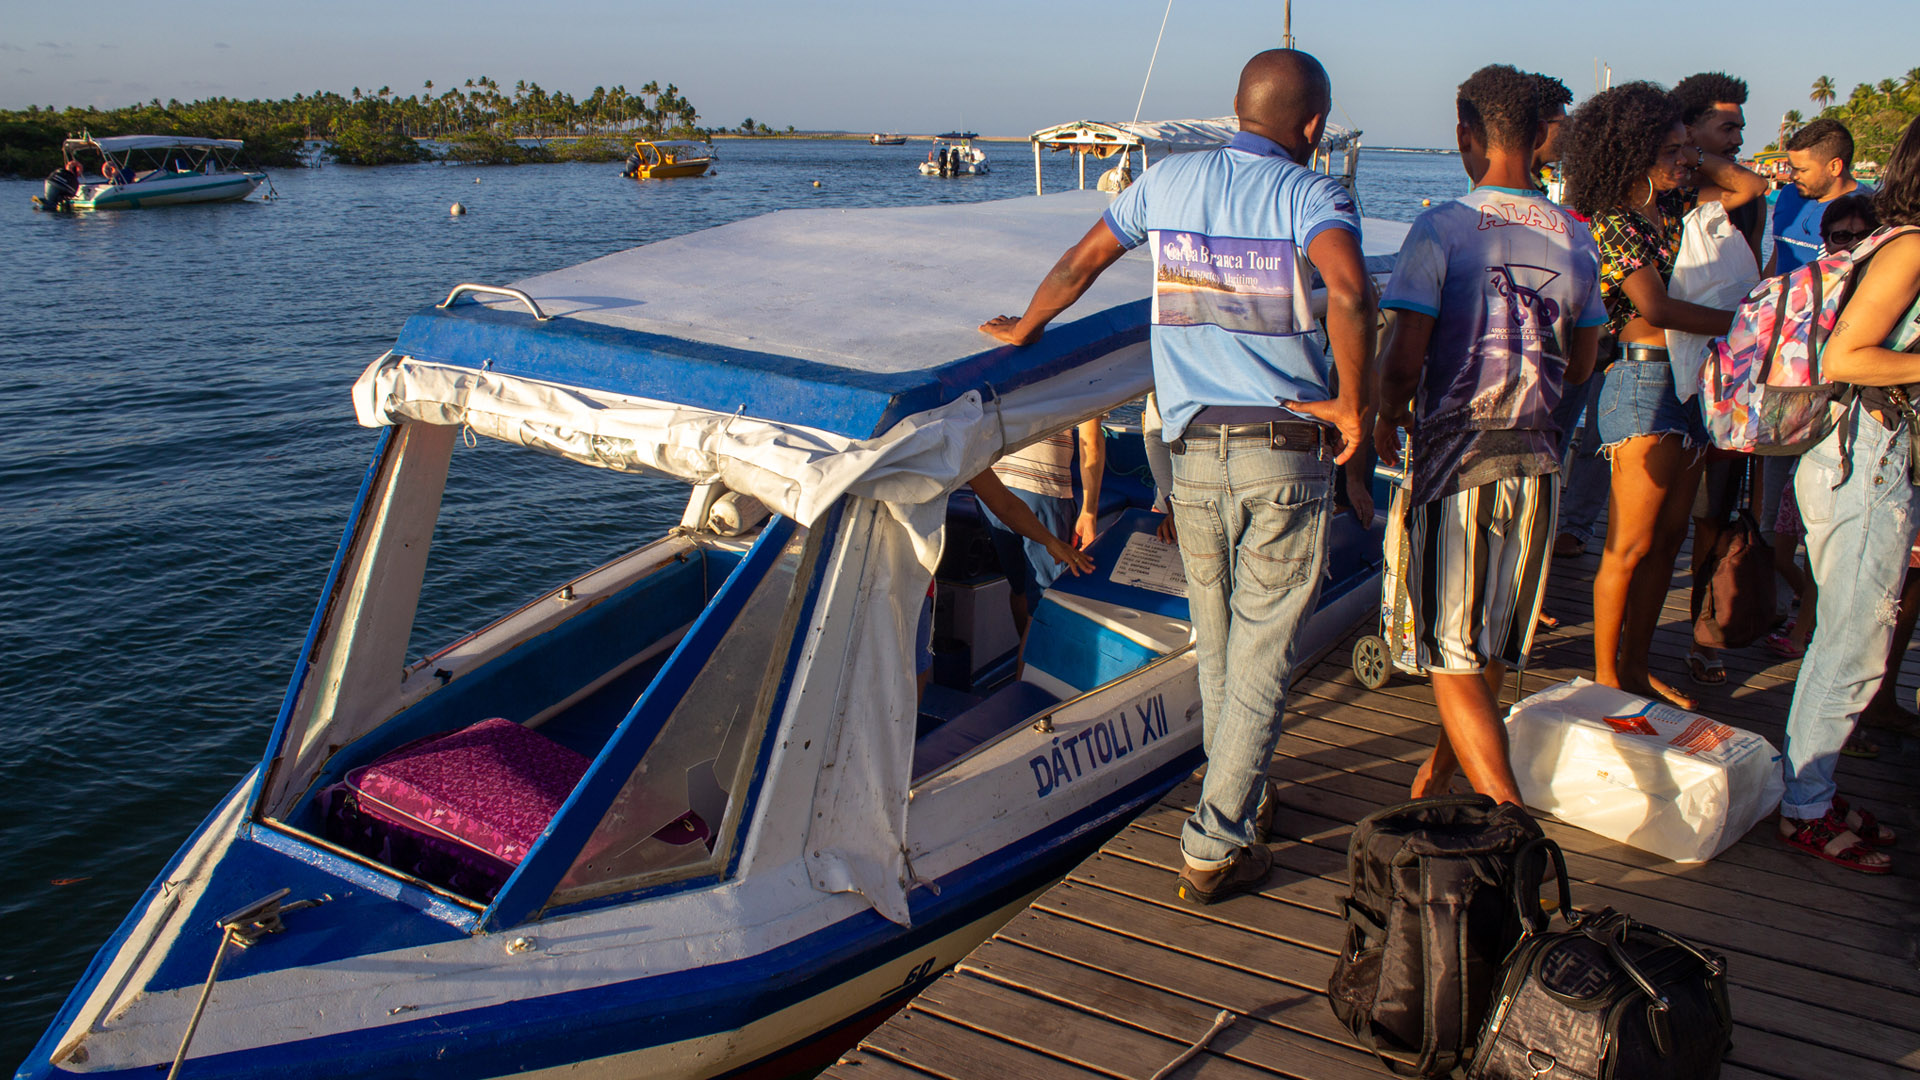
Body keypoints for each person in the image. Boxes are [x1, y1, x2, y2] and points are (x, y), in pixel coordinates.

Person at [979, 48, 1376, 905]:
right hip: (1283, 452)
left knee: (1223, 647)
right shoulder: (1313, 194)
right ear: (1312, 126)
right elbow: (1349, 292)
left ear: (1237, 111)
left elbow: (1084, 261)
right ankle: (1214, 839)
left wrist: (1026, 328)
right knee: (1265, 649)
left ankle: (1248, 793)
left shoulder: (1166, 183)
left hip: (1193, 457)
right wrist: (1354, 404)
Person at [1376, 65, 1604, 805]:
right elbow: (1586, 360)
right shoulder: (1574, 232)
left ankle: (1512, 823)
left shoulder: (1442, 226)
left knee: (1448, 653)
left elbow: (1405, 356)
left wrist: (1384, 415)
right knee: (1491, 641)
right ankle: (1441, 770)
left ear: (1466, 132)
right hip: (1537, 461)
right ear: (1539, 135)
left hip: (1457, 464)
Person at [1560, 81, 1768, 710]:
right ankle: (1605, 678)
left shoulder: (1673, 211)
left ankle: (1636, 664)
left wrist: (1688, 154)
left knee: (1670, 537)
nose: (1686, 159)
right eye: (1672, 148)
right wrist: (1750, 321)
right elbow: (1655, 306)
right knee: (1629, 544)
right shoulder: (1614, 221)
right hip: (1643, 378)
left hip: (1688, 381)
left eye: (1687, 146)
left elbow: (1748, 187)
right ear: (1634, 152)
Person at [1774, 115, 1920, 873]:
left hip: (1869, 461)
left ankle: (1814, 791)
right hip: (1862, 462)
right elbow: (1848, 353)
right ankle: (1804, 803)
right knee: (1855, 641)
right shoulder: (1911, 248)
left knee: (1853, 633)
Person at [980, 418, 1105, 640]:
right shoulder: (1081, 380)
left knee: (1020, 589)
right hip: (1043, 490)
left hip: (991, 487)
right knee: (1044, 601)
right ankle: (1028, 669)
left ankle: (1023, 656)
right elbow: (1091, 440)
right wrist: (1089, 511)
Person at [1672, 72, 1765, 259]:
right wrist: (1689, 154)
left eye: (1741, 129)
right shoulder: (1666, 195)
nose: (1739, 140)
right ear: (1688, 132)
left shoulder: (1752, 203)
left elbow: (1755, 273)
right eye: (1728, 129)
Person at [1768, 119, 1871, 277]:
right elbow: (1778, 253)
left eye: (1801, 170)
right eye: (1792, 168)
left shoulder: (1868, 208)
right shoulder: (1788, 194)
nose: (1792, 176)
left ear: (1834, 167)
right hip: (1779, 298)